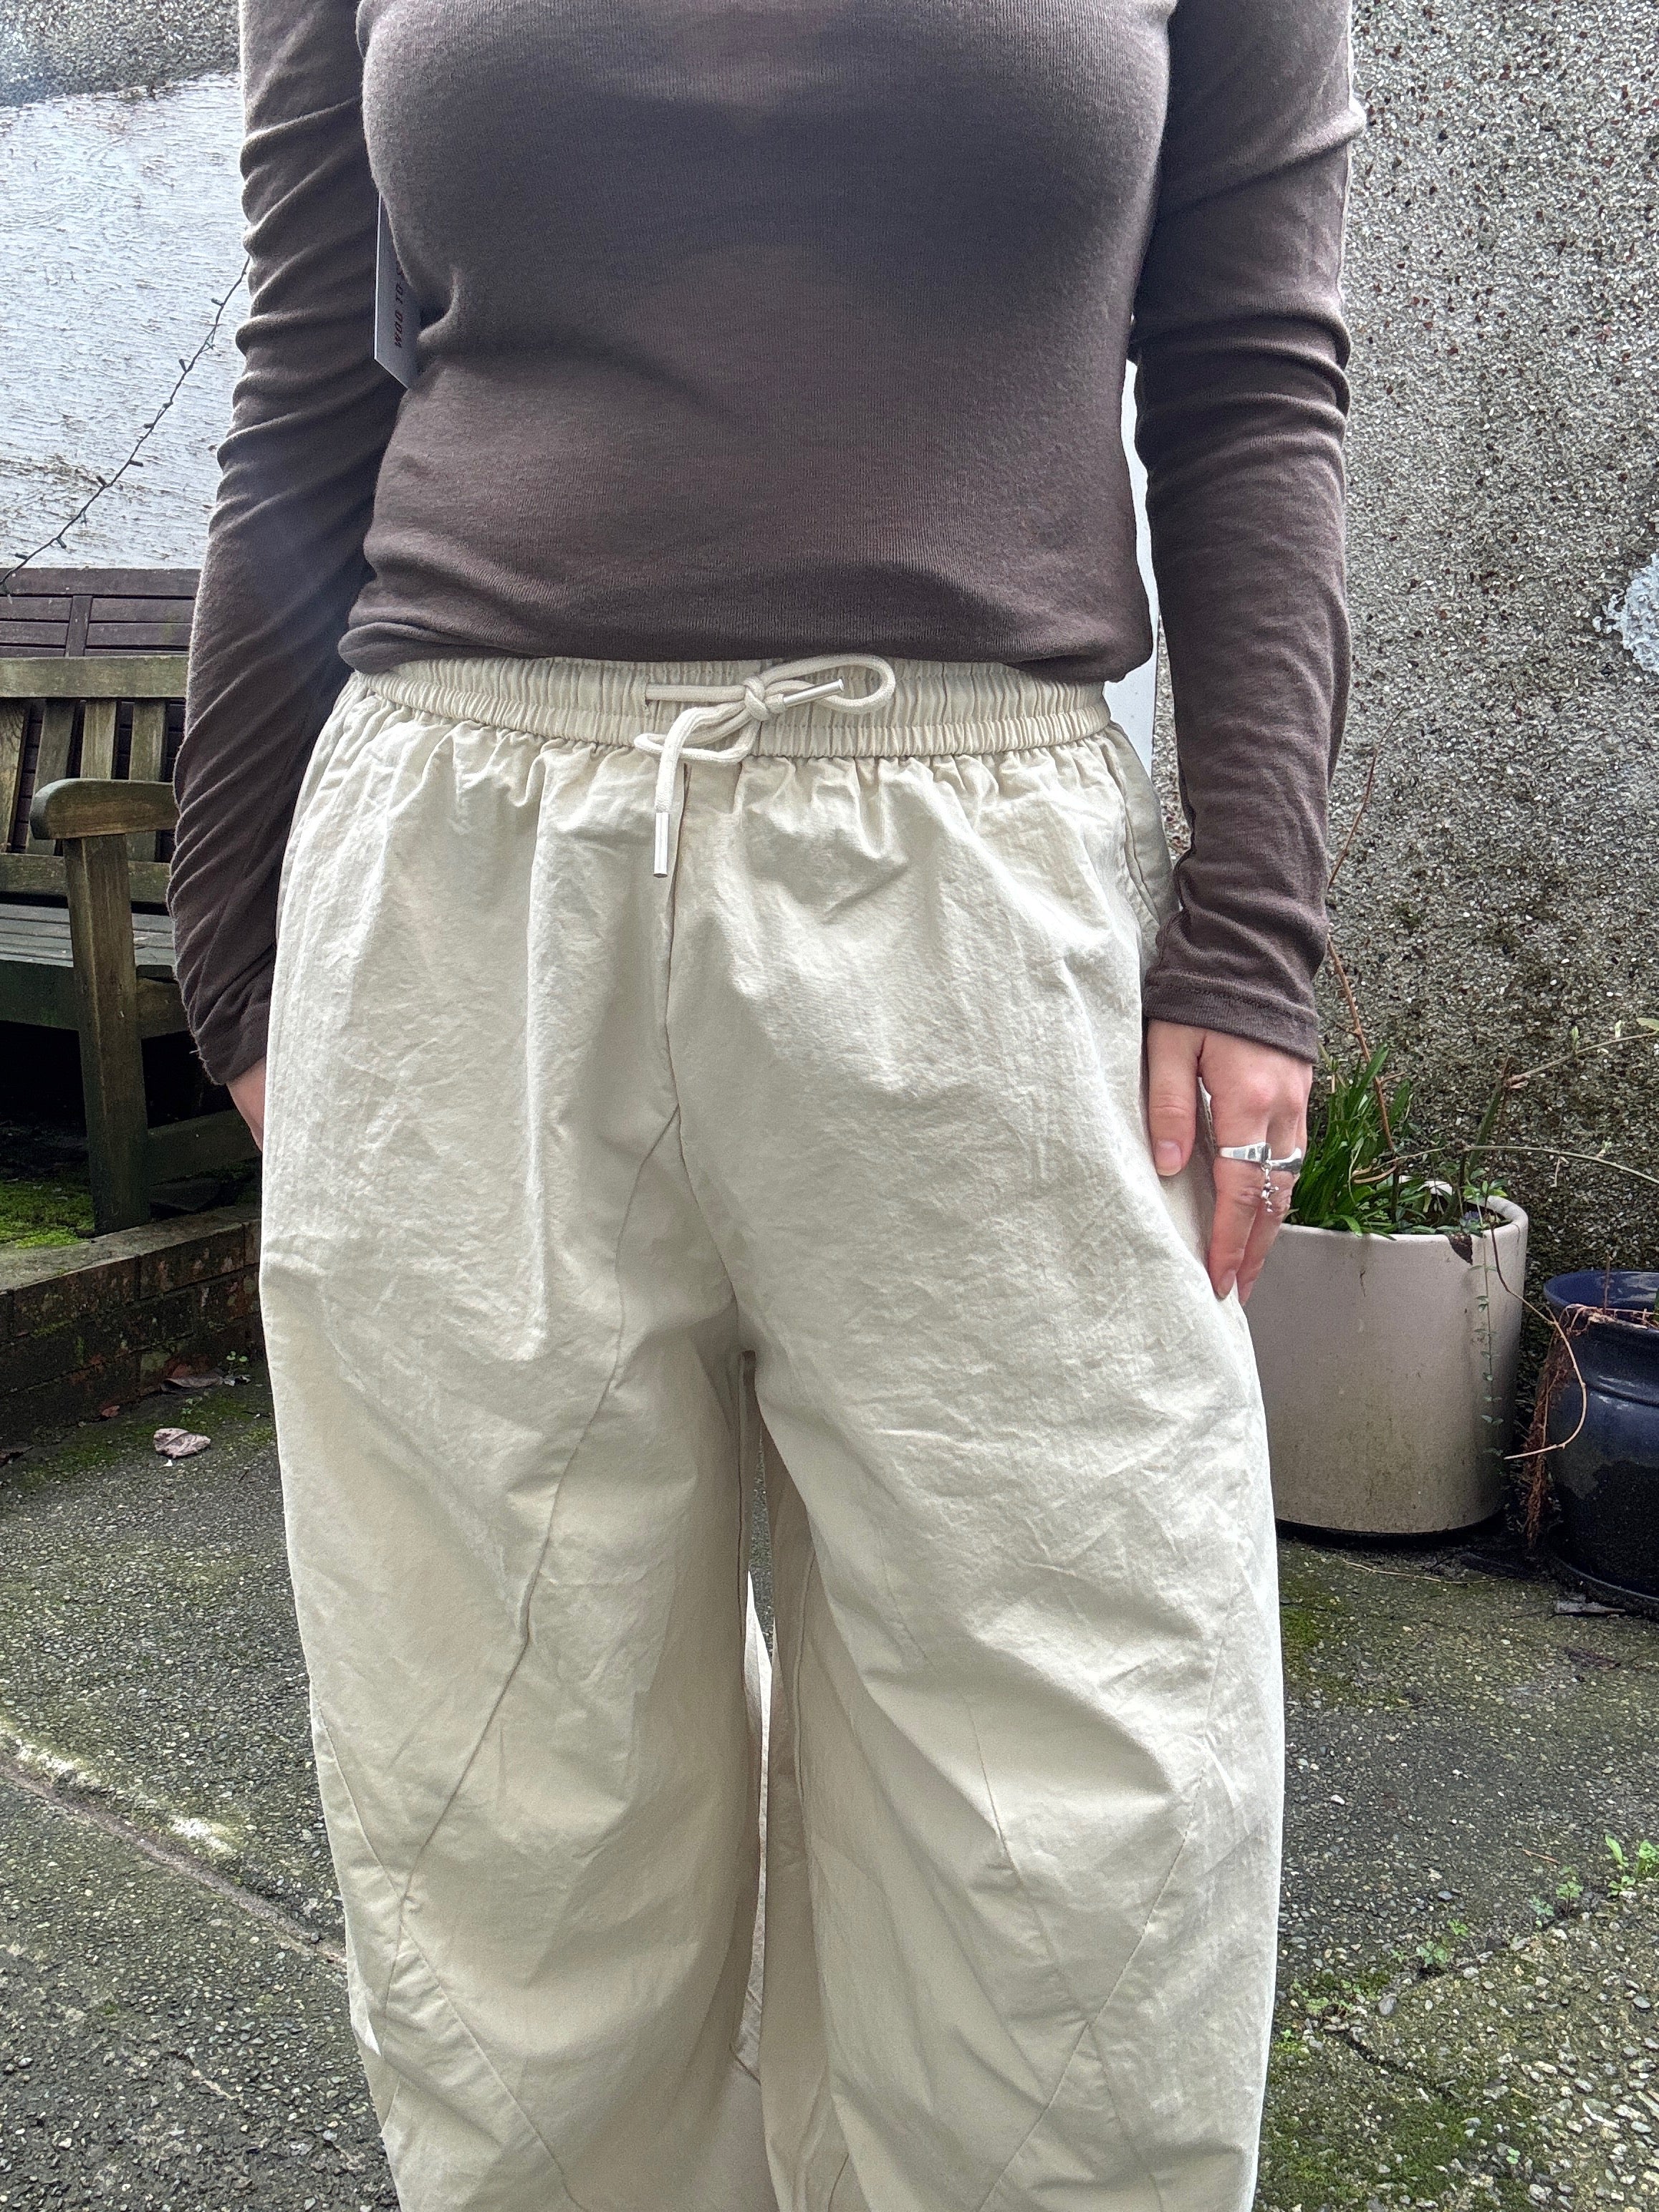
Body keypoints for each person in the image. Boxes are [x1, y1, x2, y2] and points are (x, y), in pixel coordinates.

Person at [170, 2, 1361, 2206]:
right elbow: (307, 383)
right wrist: (229, 942)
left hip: (984, 892)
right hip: (459, 887)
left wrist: (1247, 938)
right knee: (504, 1781)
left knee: (1079, 1789)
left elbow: (1250, 379)